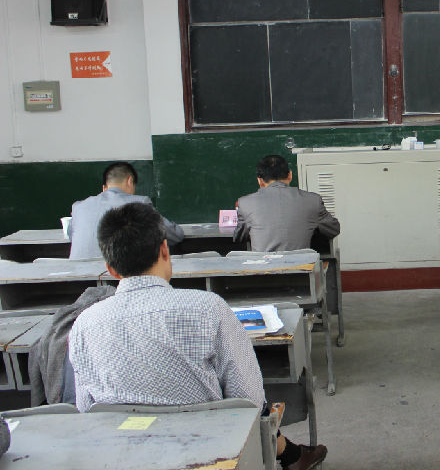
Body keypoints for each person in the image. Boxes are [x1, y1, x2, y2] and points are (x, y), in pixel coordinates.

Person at [68, 203, 326, 470]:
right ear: (164, 250)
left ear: (110, 269)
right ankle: (290, 454)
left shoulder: (83, 324)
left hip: (122, 458)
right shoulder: (209, 308)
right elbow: (248, 400)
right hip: (209, 455)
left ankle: (291, 453)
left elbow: (87, 411)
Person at [68, 161, 183, 259]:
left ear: (104, 188)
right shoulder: (139, 203)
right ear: (129, 181)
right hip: (120, 273)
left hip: (77, 275)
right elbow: (173, 235)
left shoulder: (79, 206)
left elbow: (71, 235)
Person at [235, 155, 340, 252]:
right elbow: (333, 229)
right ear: (290, 175)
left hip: (263, 265)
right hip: (301, 265)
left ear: (260, 180)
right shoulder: (313, 200)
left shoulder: (245, 203)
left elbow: (239, 237)